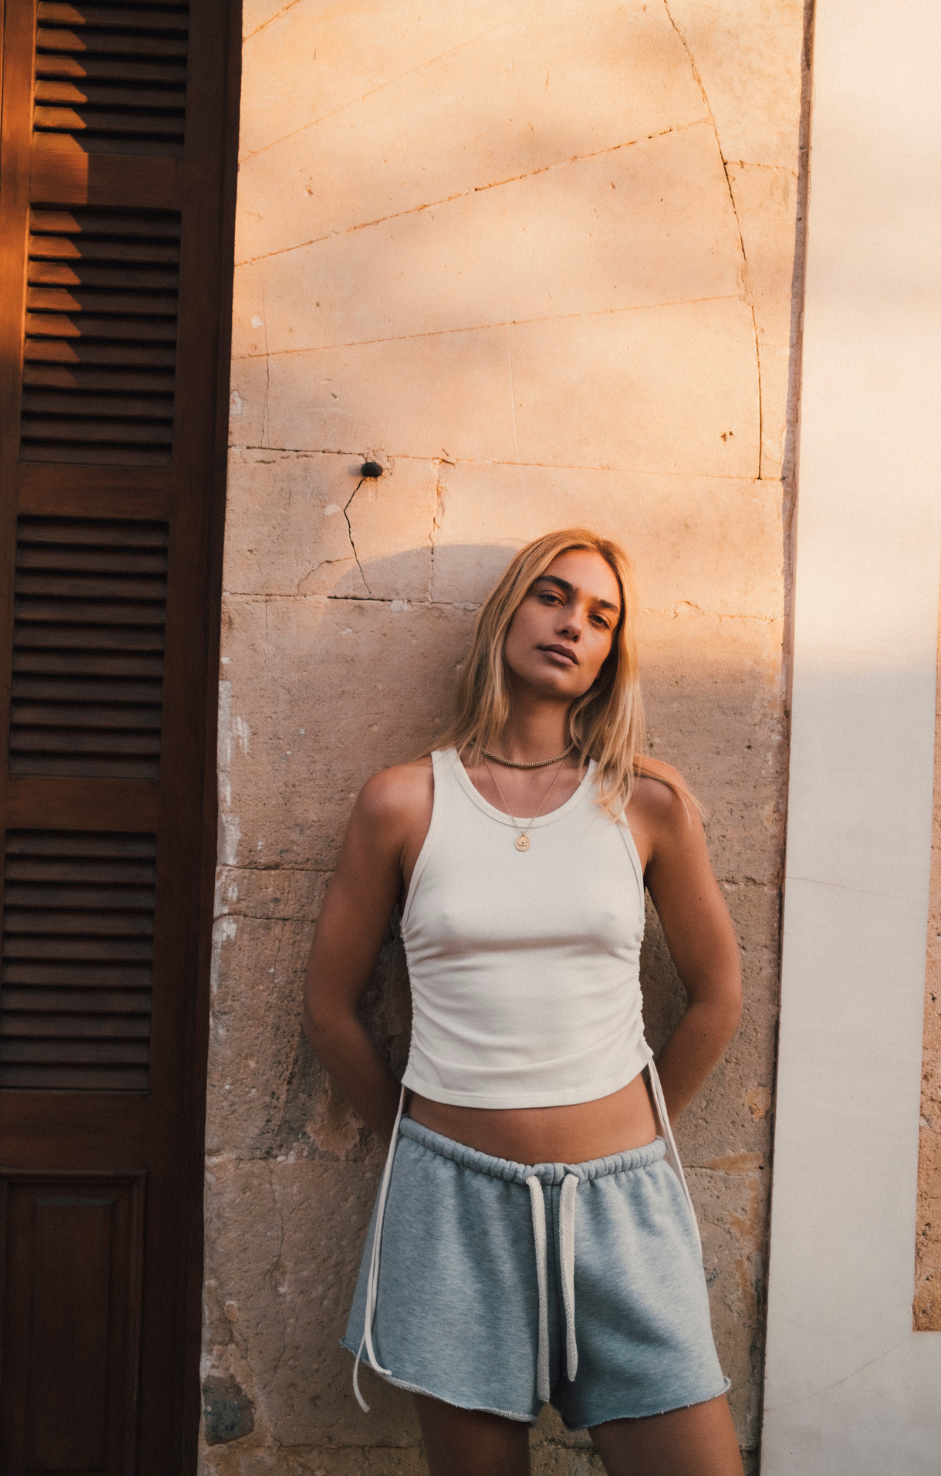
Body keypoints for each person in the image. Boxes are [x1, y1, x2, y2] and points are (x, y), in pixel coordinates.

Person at [303, 529, 744, 1476]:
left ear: (612, 654)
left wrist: (640, 1133)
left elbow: (718, 997)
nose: (572, 624)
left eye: (601, 616)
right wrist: (417, 1145)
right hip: (450, 1208)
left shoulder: (646, 802)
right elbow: (330, 1009)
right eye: (552, 596)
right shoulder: (402, 802)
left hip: (623, 1206)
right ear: (508, 612)